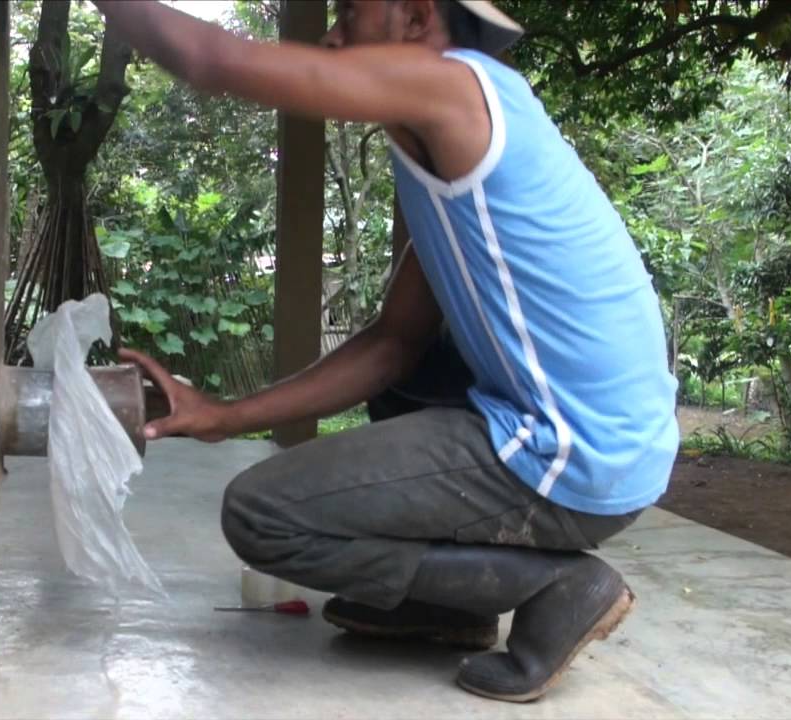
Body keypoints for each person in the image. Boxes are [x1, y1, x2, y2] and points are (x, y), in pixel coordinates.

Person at [96, 0, 679, 703]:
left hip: (572, 452)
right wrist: (225, 416)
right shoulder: (448, 140)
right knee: (405, 383)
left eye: (350, 12)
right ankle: (450, 604)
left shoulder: (453, 85)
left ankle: (556, 587)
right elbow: (393, 345)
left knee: (262, 514)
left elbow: (212, 59)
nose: (332, 34)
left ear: (415, 18)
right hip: (595, 445)